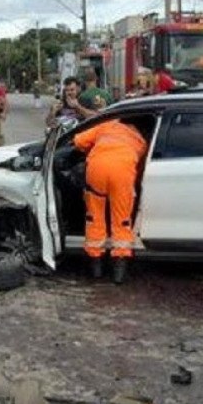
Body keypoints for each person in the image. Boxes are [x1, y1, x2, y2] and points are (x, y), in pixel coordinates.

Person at [73, 118, 148, 284]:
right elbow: (140, 164)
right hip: (122, 172)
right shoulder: (140, 139)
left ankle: (96, 267)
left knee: (94, 217)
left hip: (97, 168)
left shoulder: (106, 125)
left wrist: (90, 149)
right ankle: (118, 271)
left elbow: (78, 141)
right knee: (121, 220)